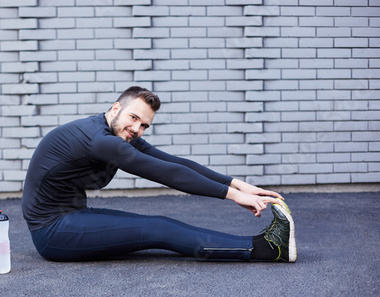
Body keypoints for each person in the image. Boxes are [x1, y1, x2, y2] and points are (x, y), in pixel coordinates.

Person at [22, 86, 296, 263]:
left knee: (157, 224)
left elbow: (173, 162)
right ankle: (267, 249)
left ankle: (264, 246)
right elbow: (166, 174)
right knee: (160, 229)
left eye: (144, 125)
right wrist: (233, 196)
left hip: (71, 216)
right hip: (53, 232)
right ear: (116, 108)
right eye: (133, 118)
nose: (137, 129)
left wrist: (240, 185)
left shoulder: (113, 132)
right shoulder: (100, 140)